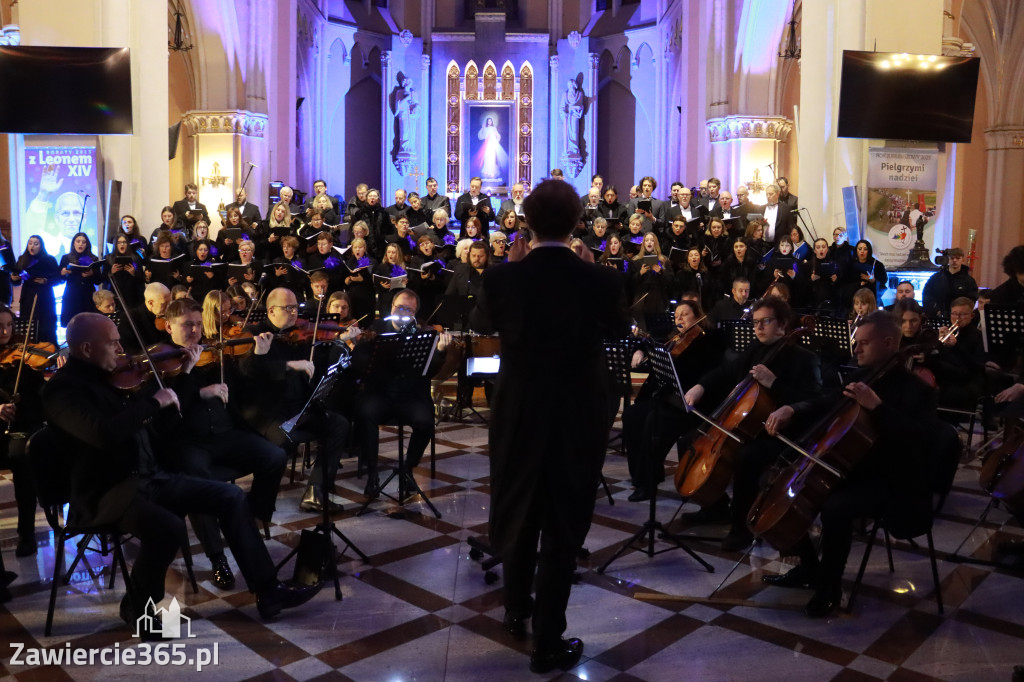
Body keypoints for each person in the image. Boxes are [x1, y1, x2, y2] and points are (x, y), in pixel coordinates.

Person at [43, 313, 320, 633]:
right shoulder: (62, 390)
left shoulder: (115, 378)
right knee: (169, 527)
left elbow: (163, 428)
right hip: (105, 491)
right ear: (87, 348)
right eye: (113, 343)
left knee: (230, 495)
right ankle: (137, 608)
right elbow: (104, 434)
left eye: (120, 340)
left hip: (150, 478)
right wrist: (151, 404)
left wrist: (182, 380)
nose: (121, 350)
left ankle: (269, 592)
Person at [470, 179, 629, 673]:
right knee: (564, 524)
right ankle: (549, 640)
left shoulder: (503, 276)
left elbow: (481, 324)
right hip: (577, 412)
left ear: (527, 223)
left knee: (518, 507)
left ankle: (516, 610)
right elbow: (620, 331)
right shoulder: (600, 279)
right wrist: (589, 272)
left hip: (518, 411)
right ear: (579, 222)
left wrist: (513, 272)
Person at [761, 311, 937, 617]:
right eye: (856, 342)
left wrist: (878, 408)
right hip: (852, 469)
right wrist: (792, 407)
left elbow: (920, 440)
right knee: (772, 481)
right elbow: (826, 402)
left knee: (835, 505)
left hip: (894, 478)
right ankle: (809, 567)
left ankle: (829, 586)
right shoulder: (860, 376)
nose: (856, 349)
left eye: (864, 343)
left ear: (888, 342)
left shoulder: (917, 390)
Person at [153, 298, 287, 590]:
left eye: (198, 324)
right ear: (168, 326)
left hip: (227, 435)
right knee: (196, 482)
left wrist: (258, 355)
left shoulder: (215, 354)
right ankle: (217, 557)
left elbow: (248, 383)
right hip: (189, 443)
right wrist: (196, 386)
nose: (195, 331)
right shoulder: (159, 363)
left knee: (275, 456)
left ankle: (251, 514)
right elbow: (164, 414)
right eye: (187, 324)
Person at [682, 296, 822, 550]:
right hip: (749, 428)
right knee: (690, 439)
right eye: (755, 322)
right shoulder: (755, 351)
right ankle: (714, 506)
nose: (758, 327)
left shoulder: (803, 358)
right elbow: (725, 372)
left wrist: (774, 383)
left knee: (746, 458)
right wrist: (700, 386)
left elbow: (812, 401)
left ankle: (741, 529)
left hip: (783, 434)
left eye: (765, 321)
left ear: (782, 324)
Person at [241, 288, 350, 511]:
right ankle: (260, 505)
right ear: (271, 310)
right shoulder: (254, 333)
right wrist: (287, 365)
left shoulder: (300, 335)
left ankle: (316, 491)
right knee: (282, 443)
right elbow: (247, 371)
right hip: (268, 412)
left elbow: (316, 367)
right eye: (288, 308)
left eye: (295, 308)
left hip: (299, 408)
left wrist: (337, 347)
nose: (293, 313)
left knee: (339, 424)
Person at [353, 289, 451, 497]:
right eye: (399, 308)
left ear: (415, 313)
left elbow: (430, 370)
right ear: (392, 308)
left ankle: (407, 470)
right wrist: (361, 348)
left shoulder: (424, 334)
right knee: (365, 414)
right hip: (380, 393)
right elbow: (360, 362)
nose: (403, 312)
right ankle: (372, 474)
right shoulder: (376, 329)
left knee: (425, 422)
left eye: (409, 310)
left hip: (411, 395)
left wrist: (440, 351)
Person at [624, 300, 723, 501]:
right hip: (669, 398)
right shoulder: (674, 338)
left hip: (691, 403)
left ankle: (648, 482)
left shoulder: (709, 338)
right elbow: (646, 341)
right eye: (676, 315)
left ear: (697, 317)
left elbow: (711, 371)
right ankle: (640, 475)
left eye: (685, 314)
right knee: (632, 415)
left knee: (655, 420)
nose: (679, 318)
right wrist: (641, 350)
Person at [0, 305, 44, 557]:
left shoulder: (24, 357)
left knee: (21, 458)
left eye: (8, 325)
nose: (5, 331)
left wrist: (52, 369)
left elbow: (41, 397)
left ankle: (26, 534)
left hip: (22, 428)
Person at [11, 235, 60, 344]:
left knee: (46, 326)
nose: (32, 246)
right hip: (27, 296)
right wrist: (14, 278)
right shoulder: (22, 259)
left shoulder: (49, 259)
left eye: (36, 244)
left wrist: (46, 281)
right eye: (30, 243)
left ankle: (49, 351)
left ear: (41, 246)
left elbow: (58, 279)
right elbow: (17, 279)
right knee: (29, 326)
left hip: (44, 297)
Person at [58, 232, 101, 328]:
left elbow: (99, 280)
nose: (81, 244)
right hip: (71, 295)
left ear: (87, 244)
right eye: (78, 241)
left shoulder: (93, 258)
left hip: (88, 295)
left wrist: (92, 273)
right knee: (72, 326)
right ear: (73, 243)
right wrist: (62, 273)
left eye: (83, 242)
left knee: (89, 326)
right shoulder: (66, 258)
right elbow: (59, 279)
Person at [922, 248, 978, 316]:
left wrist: (960, 313)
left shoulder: (969, 281)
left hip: (959, 317)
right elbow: (927, 295)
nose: (954, 260)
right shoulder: (936, 278)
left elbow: (971, 300)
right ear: (948, 259)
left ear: (962, 260)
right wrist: (936, 311)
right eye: (952, 258)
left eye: (957, 258)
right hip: (938, 316)